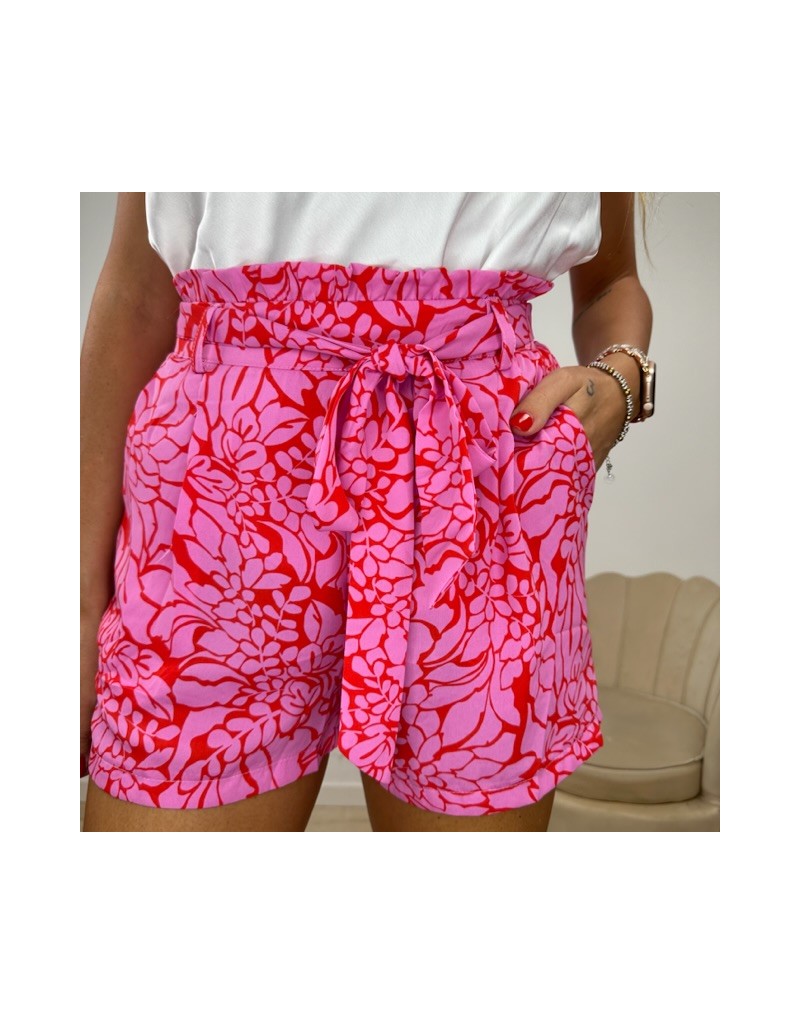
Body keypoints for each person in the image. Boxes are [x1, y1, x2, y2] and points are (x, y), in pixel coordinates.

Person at [81, 192, 654, 832]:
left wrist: (623, 382)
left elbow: (611, 286)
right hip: (219, 499)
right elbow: (137, 295)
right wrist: (78, 605)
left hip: (476, 486)